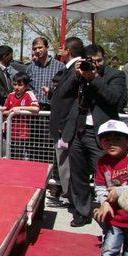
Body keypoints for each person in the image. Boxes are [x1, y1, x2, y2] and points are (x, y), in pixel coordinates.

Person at [60, 43, 127, 227]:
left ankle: (114, 212)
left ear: (104, 58)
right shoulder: (78, 73)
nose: (95, 64)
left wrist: (94, 78)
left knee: (107, 175)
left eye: (99, 61)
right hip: (78, 130)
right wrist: (76, 75)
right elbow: (63, 94)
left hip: (104, 135)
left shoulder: (115, 75)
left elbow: (115, 99)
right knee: (78, 174)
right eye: (91, 62)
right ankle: (82, 212)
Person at [92, 119, 128, 256]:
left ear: (127, 141)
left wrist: (119, 191)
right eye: (106, 140)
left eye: (117, 139)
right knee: (110, 248)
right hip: (114, 217)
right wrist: (104, 202)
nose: (111, 143)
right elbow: (99, 186)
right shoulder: (102, 163)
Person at [49, 37, 85, 210]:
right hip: (62, 123)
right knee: (63, 164)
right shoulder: (68, 69)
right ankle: (69, 196)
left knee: (67, 165)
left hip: (66, 125)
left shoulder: (75, 70)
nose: (59, 51)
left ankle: (72, 198)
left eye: (62, 48)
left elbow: (66, 95)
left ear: (68, 51)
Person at [0, 72, 40, 160]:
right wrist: (8, 111)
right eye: (14, 84)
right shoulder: (10, 95)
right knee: (10, 156)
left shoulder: (29, 94)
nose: (16, 87)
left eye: (20, 85)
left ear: (26, 85)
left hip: (23, 133)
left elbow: (36, 108)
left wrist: (20, 108)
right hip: (10, 132)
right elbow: (5, 111)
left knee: (22, 158)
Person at [27, 36, 65, 110]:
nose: (37, 51)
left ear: (47, 47)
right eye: (35, 49)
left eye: (40, 47)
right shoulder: (30, 68)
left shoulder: (60, 66)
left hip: (53, 108)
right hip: (35, 110)